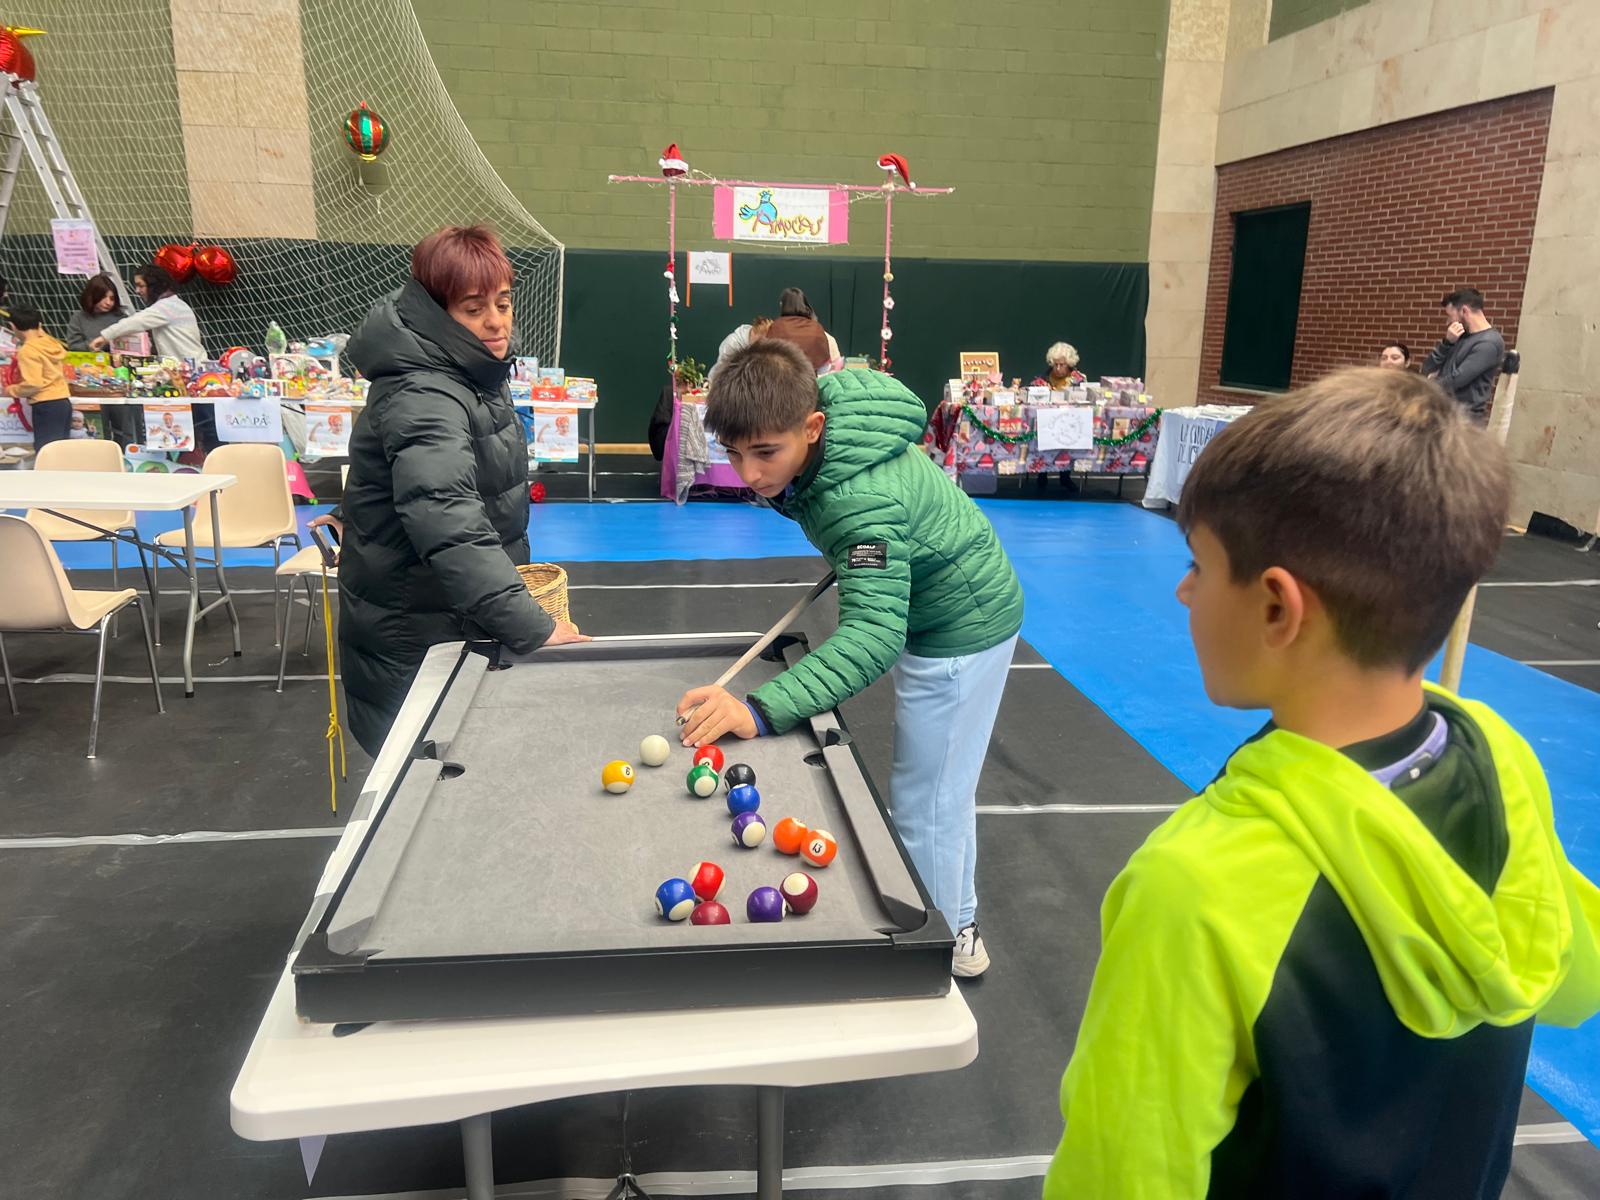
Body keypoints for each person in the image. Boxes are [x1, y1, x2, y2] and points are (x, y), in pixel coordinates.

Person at [1043, 368, 1600, 1198]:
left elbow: (1122, 1178)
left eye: (1198, 564)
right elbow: (1573, 981)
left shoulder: (1197, 887)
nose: (1184, 589)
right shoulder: (1499, 754)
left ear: (1278, 608)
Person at [675, 340, 1024, 977]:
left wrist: (759, 709)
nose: (749, 474)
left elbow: (872, 635)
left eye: (765, 453)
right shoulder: (824, 416)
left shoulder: (860, 505)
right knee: (938, 793)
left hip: (961, 627)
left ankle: (940, 946)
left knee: (926, 802)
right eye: (734, 453)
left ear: (812, 427)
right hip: (941, 592)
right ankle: (958, 921)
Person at [319, 224, 587, 755]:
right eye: (473, 308)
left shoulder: (464, 374)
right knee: (426, 777)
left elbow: (431, 484)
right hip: (418, 639)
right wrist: (530, 626)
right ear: (437, 313)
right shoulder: (427, 391)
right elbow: (449, 519)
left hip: (446, 618)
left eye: (503, 303)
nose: (496, 321)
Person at [93, 263, 216, 450]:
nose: (137, 291)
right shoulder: (174, 304)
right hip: (186, 374)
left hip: (191, 375)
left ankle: (217, 460)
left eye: (141, 285)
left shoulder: (166, 307)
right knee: (194, 431)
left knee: (206, 430)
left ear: (154, 285)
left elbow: (137, 321)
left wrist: (104, 336)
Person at [66, 274, 138, 444]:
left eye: (112, 298)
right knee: (98, 423)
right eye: (103, 297)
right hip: (89, 382)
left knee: (123, 424)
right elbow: (73, 345)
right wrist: (92, 345)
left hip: (117, 381)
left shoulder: (121, 319)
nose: (108, 302)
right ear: (92, 296)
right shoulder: (79, 318)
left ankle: (125, 454)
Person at [1422, 288, 1504, 423]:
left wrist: (1426, 385)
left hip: (1465, 421)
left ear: (1464, 311)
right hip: (1446, 414)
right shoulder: (1458, 336)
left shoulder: (1489, 343)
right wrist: (1446, 343)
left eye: (1450, 316)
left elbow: (1457, 379)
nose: (1448, 322)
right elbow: (1427, 368)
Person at [6, 304, 72, 450]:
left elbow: (34, 383)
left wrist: (11, 390)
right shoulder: (49, 342)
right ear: (39, 325)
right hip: (63, 401)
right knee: (61, 450)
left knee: (46, 451)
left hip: (46, 404)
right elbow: (40, 332)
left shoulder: (27, 351)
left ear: (12, 326)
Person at [764, 287, 838, 370]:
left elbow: (767, 356)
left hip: (783, 375)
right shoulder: (816, 328)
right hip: (812, 376)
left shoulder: (776, 327)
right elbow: (824, 361)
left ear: (782, 305)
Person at [707, 314, 771, 385]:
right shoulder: (731, 344)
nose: (763, 343)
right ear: (754, 332)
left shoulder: (764, 344)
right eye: (761, 339)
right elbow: (723, 373)